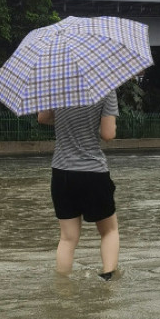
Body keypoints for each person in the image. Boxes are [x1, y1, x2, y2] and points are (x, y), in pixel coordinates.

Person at [37, 91, 119, 279]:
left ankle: (63, 289)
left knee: (67, 238)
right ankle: (108, 282)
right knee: (109, 231)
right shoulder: (105, 89)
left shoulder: (57, 85)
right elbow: (108, 134)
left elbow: (42, 118)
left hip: (61, 172)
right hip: (93, 172)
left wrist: (68, 121)